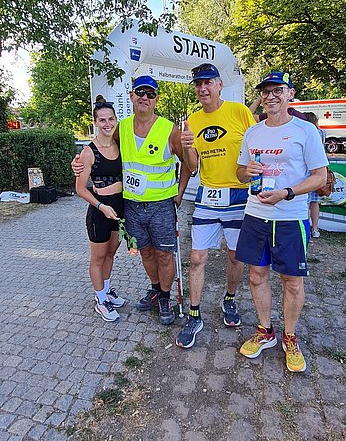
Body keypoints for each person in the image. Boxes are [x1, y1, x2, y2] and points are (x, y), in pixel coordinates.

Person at [73, 76, 191, 326]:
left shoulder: (169, 129)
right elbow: (102, 148)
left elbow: (190, 166)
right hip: (132, 206)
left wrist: (179, 193)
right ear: (132, 96)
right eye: (140, 92)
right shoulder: (122, 127)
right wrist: (79, 161)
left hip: (161, 206)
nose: (144, 97)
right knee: (146, 253)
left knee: (164, 256)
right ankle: (155, 289)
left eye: (150, 94)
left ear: (157, 99)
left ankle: (166, 298)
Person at [235, 71, 328, 372]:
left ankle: (290, 336)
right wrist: (246, 171)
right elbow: (239, 173)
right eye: (265, 91)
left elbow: (320, 177)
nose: (270, 96)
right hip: (255, 214)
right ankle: (266, 332)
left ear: (290, 93)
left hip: (290, 217)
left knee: (292, 282)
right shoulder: (253, 132)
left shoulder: (305, 131)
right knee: (256, 276)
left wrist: (287, 192)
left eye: (277, 90)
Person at [176, 63, 256, 349]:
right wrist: (187, 147)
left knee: (236, 256)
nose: (203, 89)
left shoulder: (239, 112)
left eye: (208, 82)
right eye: (198, 84)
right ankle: (195, 314)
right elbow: (193, 167)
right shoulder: (192, 120)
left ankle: (230, 299)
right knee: (197, 258)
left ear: (220, 84)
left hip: (238, 195)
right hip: (207, 196)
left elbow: (257, 146)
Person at [75, 97, 125, 322]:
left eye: (111, 119)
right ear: (95, 122)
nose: (107, 123)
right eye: (102, 120)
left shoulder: (119, 144)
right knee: (98, 257)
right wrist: (101, 206)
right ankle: (100, 299)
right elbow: (80, 189)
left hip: (119, 207)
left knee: (111, 252)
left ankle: (106, 291)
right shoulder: (88, 152)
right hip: (99, 210)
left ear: (116, 120)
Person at [304, 112, 327, 238]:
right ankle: (315, 229)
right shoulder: (322, 133)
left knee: (305, 202)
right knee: (315, 202)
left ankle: (306, 227)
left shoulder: (306, 132)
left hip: (307, 171)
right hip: (319, 170)